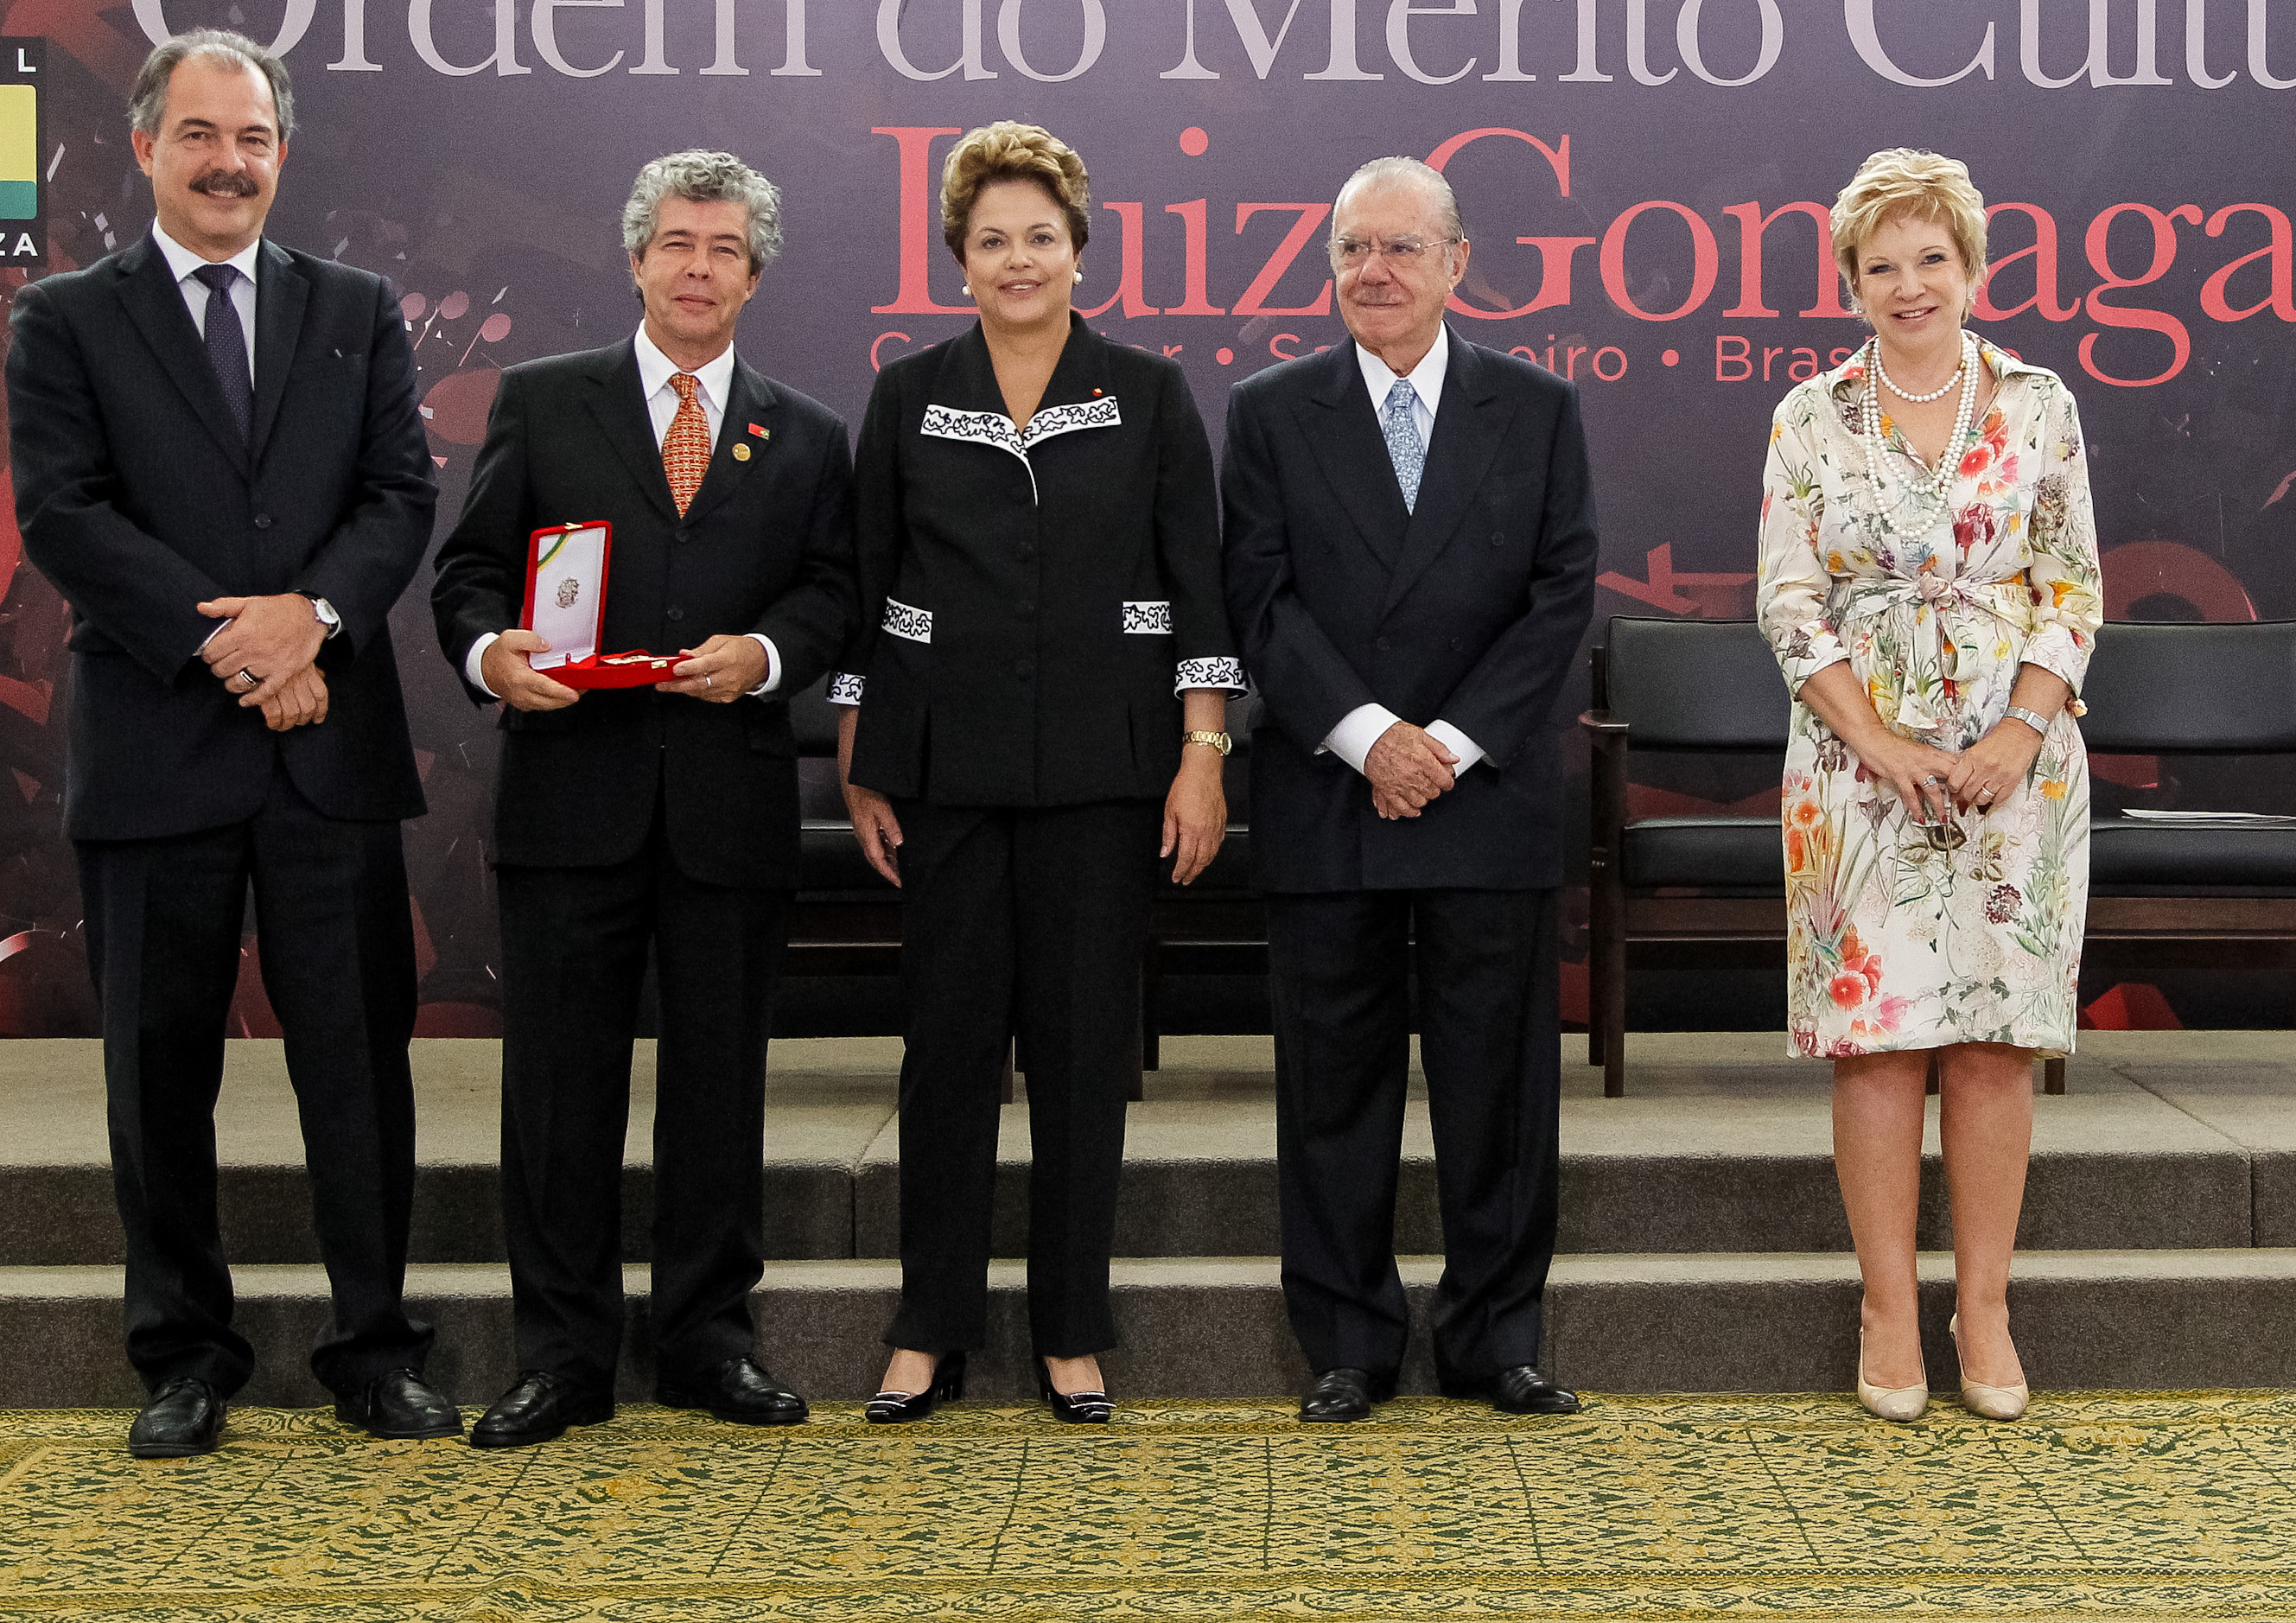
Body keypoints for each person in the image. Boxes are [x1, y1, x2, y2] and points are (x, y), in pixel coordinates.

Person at [5, 29, 448, 1456]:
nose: (228, 162)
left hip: (327, 746)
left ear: (282, 153)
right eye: (199, 135)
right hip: (157, 746)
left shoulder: (357, 306)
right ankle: (184, 1357)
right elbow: (67, 516)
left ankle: (374, 1347)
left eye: (252, 138)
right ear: (145, 148)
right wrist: (233, 643)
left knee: (359, 1068)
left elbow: (397, 497)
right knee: (158, 1067)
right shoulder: (66, 318)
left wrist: (308, 619)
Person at [429, 150, 854, 1448]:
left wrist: (771, 657)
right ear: (633, 258)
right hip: (570, 803)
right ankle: (560, 1356)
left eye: (724, 248)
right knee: (558, 1093)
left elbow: (832, 593)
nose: (697, 268)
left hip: (727, 806)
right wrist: (492, 653)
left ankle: (709, 1343)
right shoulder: (546, 404)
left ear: (755, 272)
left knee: (719, 1089)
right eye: (676, 242)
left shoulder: (810, 432)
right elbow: (468, 573)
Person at [836, 121, 1235, 1428]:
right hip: (945, 775)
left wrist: (1201, 756)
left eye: (1041, 237)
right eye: (993, 239)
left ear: (1080, 252)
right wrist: (863, 755)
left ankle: (1071, 1326)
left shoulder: (1150, 391)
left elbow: (1199, 595)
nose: (1019, 259)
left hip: (1105, 775)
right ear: (959, 257)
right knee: (944, 1055)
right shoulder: (905, 393)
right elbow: (870, 596)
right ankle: (925, 1325)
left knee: (1076, 1058)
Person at [1220, 156, 1598, 1425]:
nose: (1371, 273)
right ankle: (1349, 1339)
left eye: (1398, 249)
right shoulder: (1270, 412)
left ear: (1455, 262)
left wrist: (1444, 742)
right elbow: (1258, 600)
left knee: (1499, 1089)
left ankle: (1496, 1336)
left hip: (1483, 797)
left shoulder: (1535, 408)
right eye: (1349, 253)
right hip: (1329, 794)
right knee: (1333, 1084)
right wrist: (1371, 737)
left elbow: (1561, 595)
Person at [1755, 147, 2101, 1424]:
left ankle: (1988, 1305)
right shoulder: (1807, 415)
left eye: (1930, 259)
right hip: (1857, 766)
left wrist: (2016, 732)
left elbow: (2072, 587)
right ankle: (1889, 1303)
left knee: (1995, 1041)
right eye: (1880, 265)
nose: (1909, 285)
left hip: (2016, 765)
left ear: (1972, 267)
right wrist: (1882, 745)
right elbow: (1789, 605)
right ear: (1850, 283)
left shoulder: (2040, 403)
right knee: (1879, 1044)